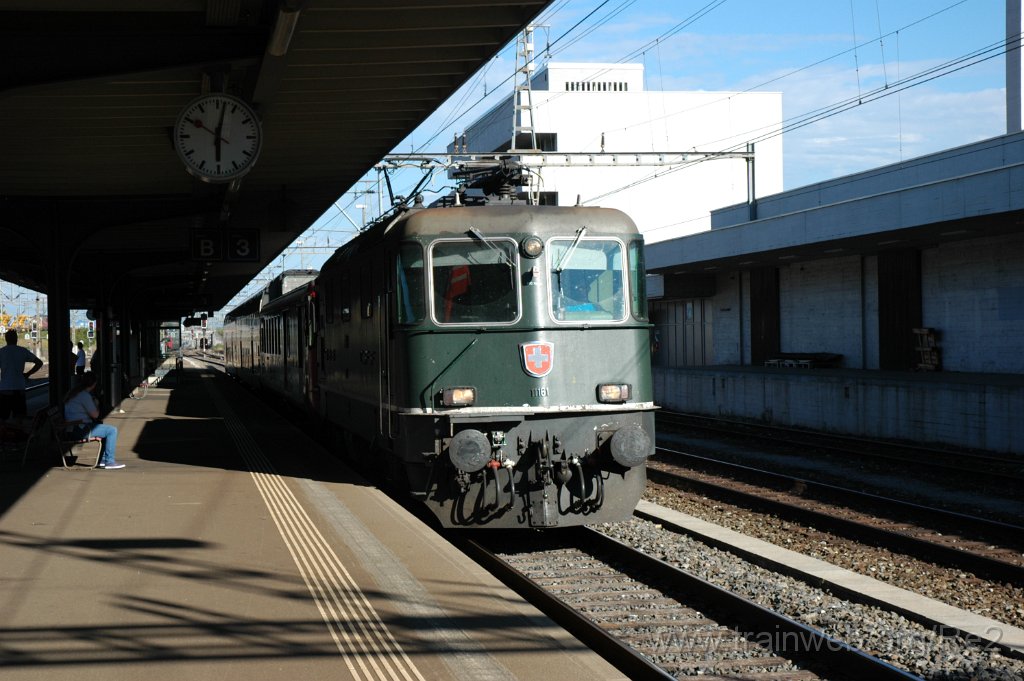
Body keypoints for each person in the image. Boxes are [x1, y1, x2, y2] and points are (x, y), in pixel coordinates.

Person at [64, 372, 123, 469]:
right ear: (94, 384)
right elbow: (95, 415)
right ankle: (109, 461)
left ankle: (103, 460)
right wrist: (96, 403)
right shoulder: (84, 396)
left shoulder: (74, 393)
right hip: (79, 430)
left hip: (71, 429)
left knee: (105, 429)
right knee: (112, 430)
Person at [0, 329, 44, 422]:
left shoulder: (1, 352)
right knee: (20, 419)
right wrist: (28, 374)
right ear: (16, 339)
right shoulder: (22, 351)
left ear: (6, 339)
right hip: (19, 388)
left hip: (4, 389)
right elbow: (39, 363)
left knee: (3, 418)